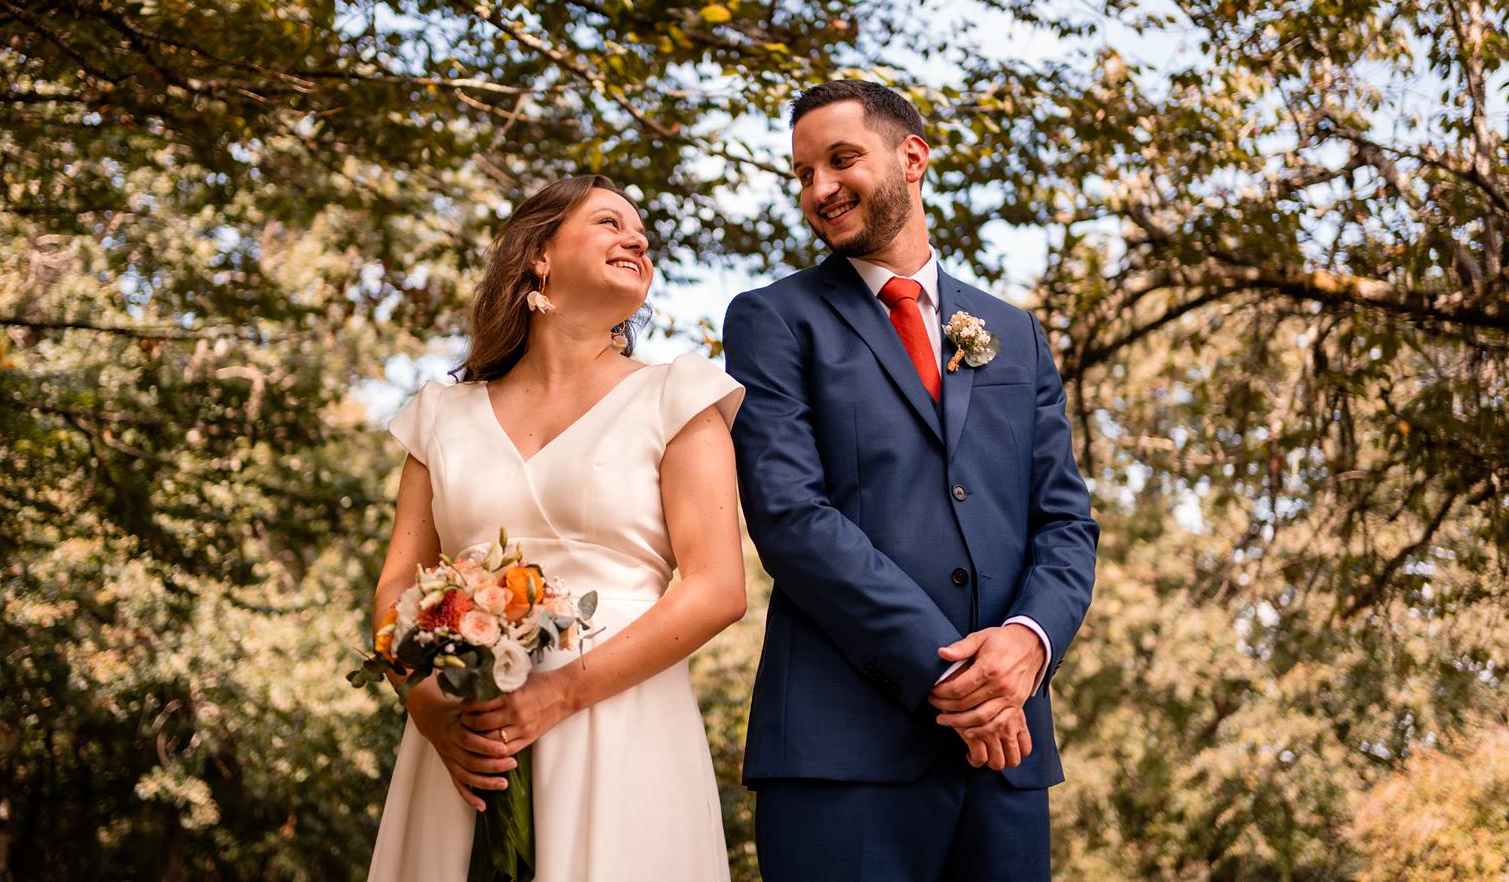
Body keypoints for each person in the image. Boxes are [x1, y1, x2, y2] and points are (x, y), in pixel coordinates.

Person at [724, 80, 1099, 881]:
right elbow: (791, 519)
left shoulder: (1014, 334)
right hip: (842, 753)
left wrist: (1027, 647)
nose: (819, 188)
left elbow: (1065, 523)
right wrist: (956, 679)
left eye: (840, 159)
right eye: (802, 173)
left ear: (912, 158)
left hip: (1008, 754)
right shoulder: (772, 319)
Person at [366, 174, 746, 882]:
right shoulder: (442, 414)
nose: (635, 238)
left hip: (623, 720)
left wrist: (561, 691)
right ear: (539, 253)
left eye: (641, 232)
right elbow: (398, 582)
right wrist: (426, 707)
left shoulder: (679, 394)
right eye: (609, 222)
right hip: (467, 734)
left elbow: (719, 587)